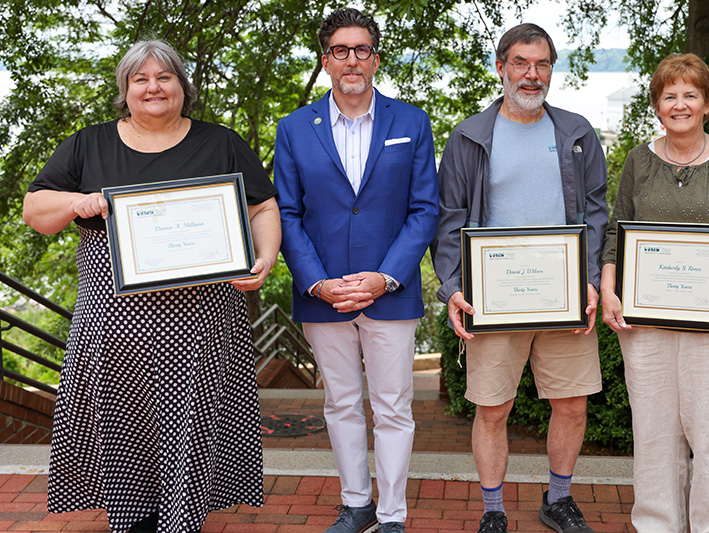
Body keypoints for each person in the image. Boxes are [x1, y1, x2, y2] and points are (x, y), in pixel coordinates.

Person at [22, 40, 281, 533]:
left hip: (201, 321)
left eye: (164, 77)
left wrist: (264, 257)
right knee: (124, 423)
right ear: (125, 90)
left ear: (182, 85)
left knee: (194, 421)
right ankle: (133, 517)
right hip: (113, 322)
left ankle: (183, 517)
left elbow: (263, 206)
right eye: (140, 79)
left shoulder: (219, 141)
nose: (153, 87)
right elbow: (36, 211)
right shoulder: (88, 143)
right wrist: (78, 203)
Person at [431, 23, 607, 533]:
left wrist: (591, 280)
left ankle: (558, 499)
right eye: (521, 63)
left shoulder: (576, 133)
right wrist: (454, 287)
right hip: (494, 298)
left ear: (552, 69)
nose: (532, 75)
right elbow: (450, 218)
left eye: (543, 64)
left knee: (571, 404)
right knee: (492, 409)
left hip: (565, 296)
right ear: (501, 67)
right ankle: (493, 510)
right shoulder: (468, 137)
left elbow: (596, 213)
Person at [273, 7, 438, 533]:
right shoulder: (295, 129)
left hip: (389, 291)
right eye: (340, 50)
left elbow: (424, 209)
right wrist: (317, 282)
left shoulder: (411, 122)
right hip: (323, 293)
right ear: (326, 61)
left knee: (393, 407)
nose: (351, 60)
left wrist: (385, 277)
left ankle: (391, 515)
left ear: (376, 59)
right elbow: (287, 212)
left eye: (361, 49)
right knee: (340, 403)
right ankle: (356, 504)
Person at [600, 53, 709, 532]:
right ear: (657, 105)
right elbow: (616, 234)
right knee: (653, 435)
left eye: (689, 94)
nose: (679, 104)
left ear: (707, 102)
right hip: (644, 325)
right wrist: (610, 291)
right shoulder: (638, 159)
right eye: (669, 95)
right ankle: (657, 526)